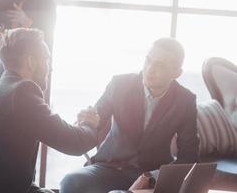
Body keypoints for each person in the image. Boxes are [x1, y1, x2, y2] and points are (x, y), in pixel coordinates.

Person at [0, 28, 100, 193]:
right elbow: (74, 143)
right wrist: (89, 123)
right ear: (31, 62)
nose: (50, 69)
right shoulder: (22, 92)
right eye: (46, 60)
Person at [60, 38, 200, 193]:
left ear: (176, 73)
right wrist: (86, 120)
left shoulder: (185, 100)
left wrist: (152, 177)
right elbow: (95, 120)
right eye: (148, 60)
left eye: (160, 65)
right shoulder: (119, 84)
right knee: (70, 181)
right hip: (108, 167)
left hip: (150, 175)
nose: (150, 69)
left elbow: (189, 156)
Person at [0, 0, 56, 79]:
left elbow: (48, 36)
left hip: (35, 64)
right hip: (9, 63)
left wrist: (28, 22)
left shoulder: (46, 1)